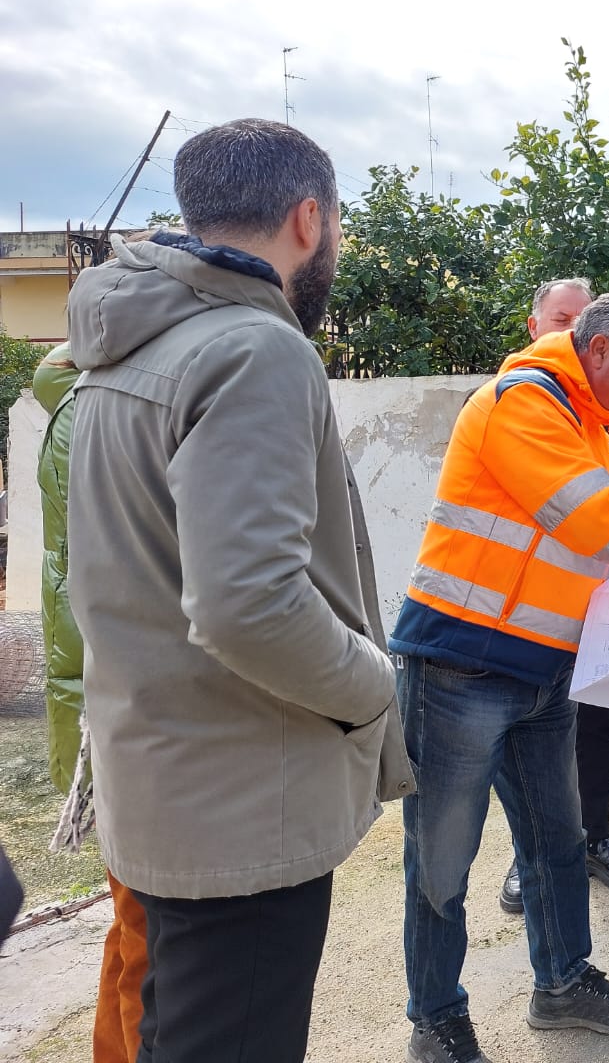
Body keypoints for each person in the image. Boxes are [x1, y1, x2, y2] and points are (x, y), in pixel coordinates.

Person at [64, 118, 413, 1063]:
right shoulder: (254, 351)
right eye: (336, 224)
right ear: (311, 218)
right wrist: (373, 685)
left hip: (167, 782)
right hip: (243, 808)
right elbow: (248, 603)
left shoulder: (125, 350)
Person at [390, 291, 609, 1063]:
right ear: (597, 353)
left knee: (560, 841)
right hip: (459, 666)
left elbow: (596, 559)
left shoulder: (602, 438)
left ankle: (561, 984)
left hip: (545, 674)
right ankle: (436, 1019)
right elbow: (592, 523)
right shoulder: (524, 403)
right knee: (443, 861)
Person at [498, 278, 609, 918]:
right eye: (562, 321)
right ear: (535, 329)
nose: (573, 335)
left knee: (596, 723)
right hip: (528, 607)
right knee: (524, 732)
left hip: (599, 599)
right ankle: (524, 853)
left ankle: (597, 838)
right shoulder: (514, 402)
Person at [36, 338, 148, 1063]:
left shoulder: (69, 395)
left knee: (133, 927)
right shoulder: (109, 411)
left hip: (94, 705)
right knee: (152, 942)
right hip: (124, 711)